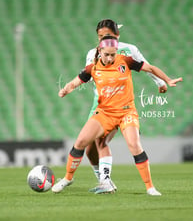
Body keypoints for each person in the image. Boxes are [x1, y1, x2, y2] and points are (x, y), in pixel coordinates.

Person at [52, 35, 182, 195]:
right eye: (107, 54)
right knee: (81, 142)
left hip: (127, 111)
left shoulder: (125, 61)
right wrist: (66, 89)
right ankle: (67, 178)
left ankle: (150, 187)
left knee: (134, 145)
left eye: (113, 54)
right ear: (100, 51)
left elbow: (151, 68)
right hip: (105, 113)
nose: (110, 57)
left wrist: (167, 80)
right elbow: (76, 81)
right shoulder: (92, 68)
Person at [84, 19, 167, 193]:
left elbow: (147, 66)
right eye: (100, 36)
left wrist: (161, 82)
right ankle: (104, 181)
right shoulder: (93, 53)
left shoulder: (130, 49)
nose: (104, 38)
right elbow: (89, 75)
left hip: (118, 105)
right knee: (89, 150)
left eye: (108, 35)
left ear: (117, 35)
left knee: (102, 141)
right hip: (98, 104)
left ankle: (108, 183)